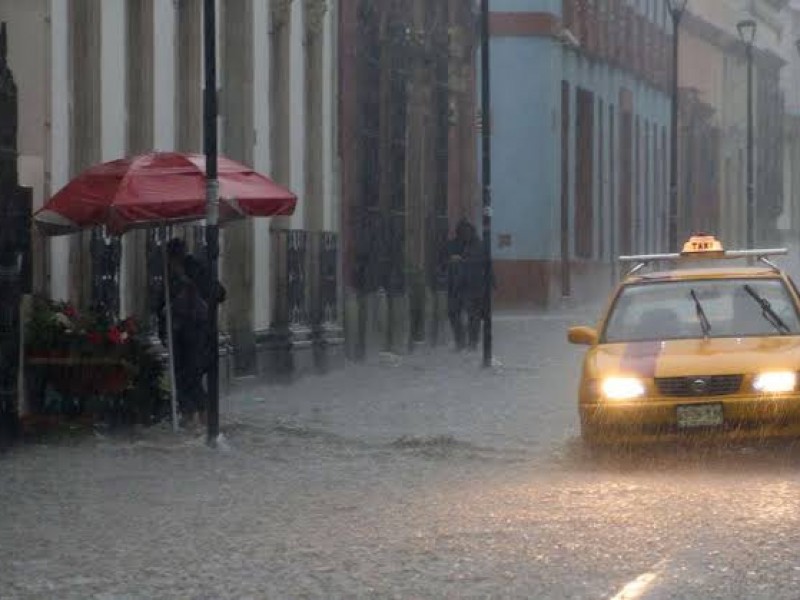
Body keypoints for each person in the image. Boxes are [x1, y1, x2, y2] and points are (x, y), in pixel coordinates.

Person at [159, 238, 226, 428]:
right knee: (181, 375)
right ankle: (189, 415)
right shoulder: (168, 273)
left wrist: (193, 292)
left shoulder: (195, 269)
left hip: (196, 332)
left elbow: (219, 293)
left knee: (191, 374)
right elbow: (161, 302)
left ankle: (203, 418)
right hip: (177, 333)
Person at [447, 219, 490, 351]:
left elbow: (480, 262)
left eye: (466, 232)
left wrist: (461, 261)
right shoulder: (455, 244)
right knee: (454, 313)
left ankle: (472, 342)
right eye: (461, 233)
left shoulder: (478, 245)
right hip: (457, 285)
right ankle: (461, 341)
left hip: (473, 285)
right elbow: (445, 258)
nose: (464, 235)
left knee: (473, 315)